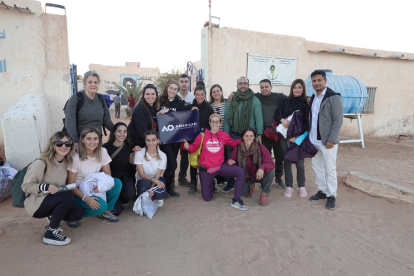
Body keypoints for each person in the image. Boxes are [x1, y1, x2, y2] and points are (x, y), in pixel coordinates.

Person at [21, 131, 83, 246]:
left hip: (54, 198)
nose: (63, 146)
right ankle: (50, 234)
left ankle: (52, 216)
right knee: (68, 196)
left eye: (67, 143)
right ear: (53, 145)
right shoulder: (41, 163)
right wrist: (47, 187)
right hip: (36, 203)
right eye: (59, 143)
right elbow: (26, 186)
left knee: (77, 214)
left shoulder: (67, 161)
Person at [183, 114, 248, 211]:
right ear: (209, 123)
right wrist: (188, 147)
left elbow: (233, 143)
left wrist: (245, 139)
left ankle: (236, 199)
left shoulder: (224, 135)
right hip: (206, 170)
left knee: (240, 172)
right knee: (207, 198)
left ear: (220, 123)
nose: (215, 123)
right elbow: (193, 149)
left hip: (220, 167)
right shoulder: (202, 136)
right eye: (212, 121)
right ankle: (212, 182)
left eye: (217, 121)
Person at [67, 127, 122, 223]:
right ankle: (72, 215)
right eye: (89, 138)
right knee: (101, 206)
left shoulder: (102, 151)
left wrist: (100, 186)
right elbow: (70, 184)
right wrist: (85, 198)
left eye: (95, 138)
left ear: (99, 140)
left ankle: (105, 211)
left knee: (117, 183)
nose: (92, 142)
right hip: (79, 190)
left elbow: (108, 174)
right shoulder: (75, 157)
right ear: (82, 140)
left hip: (95, 185)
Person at [308, 70, 343, 210]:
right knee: (317, 167)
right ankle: (322, 190)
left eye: (319, 80)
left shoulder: (333, 98)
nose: (316, 83)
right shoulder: (313, 97)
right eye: (314, 81)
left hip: (327, 141)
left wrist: (332, 139)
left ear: (325, 81)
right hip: (313, 140)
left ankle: (331, 195)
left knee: (330, 169)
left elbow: (338, 121)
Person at [223, 76, 263, 193]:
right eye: (240, 83)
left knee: (248, 160)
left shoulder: (255, 100)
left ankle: (247, 183)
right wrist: (226, 137)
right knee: (231, 159)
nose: (243, 85)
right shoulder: (231, 99)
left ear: (249, 85)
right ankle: (230, 183)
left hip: (250, 137)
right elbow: (227, 119)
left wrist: (259, 134)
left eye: (245, 83)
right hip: (234, 135)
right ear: (237, 86)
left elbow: (259, 118)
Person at [274, 79, 310, 197]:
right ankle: (289, 186)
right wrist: (282, 120)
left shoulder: (306, 102)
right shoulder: (286, 101)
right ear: (292, 88)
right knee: (287, 160)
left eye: (300, 87)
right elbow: (277, 113)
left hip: (299, 137)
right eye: (295, 87)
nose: (297, 90)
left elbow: (307, 122)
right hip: (285, 136)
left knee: (300, 163)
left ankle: (301, 186)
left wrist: (297, 137)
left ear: (303, 89)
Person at [64, 71, 114, 149]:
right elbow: (70, 123)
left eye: (95, 82)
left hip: (97, 142)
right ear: (84, 84)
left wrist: (118, 132)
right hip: (81, 142)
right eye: (90, 82)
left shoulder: (101, 99)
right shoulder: (76, 99)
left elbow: (107, 121)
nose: (93, 85)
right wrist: (75, 142)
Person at [228, 127, 274, 206]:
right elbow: (233, 161)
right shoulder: (238, 148)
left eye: (251, 136)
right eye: (246, 136)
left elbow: (270, 163)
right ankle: (250, 186)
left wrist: (262, 167)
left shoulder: (260, 147)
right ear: (242, 137)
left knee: (270, 172)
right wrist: (230, 162)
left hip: (258, 174)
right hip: (246, 176)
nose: (249, 138)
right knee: (243, 193)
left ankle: (264, 193)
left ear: (254, 137)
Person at [103, 122, 138, 214]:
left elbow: (132, 162)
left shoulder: (129, 146)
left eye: (125, 131)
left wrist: (136, 151)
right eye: (119, 131)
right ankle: (115, 198)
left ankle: (124, 199)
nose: (122, 134)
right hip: (112, 178)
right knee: (116, 211)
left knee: (130, 192)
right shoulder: (105, 148)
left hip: (125, 176)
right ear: (114, 132)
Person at [157, 80, 185, 197]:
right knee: (172, 164)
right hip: (164, 138)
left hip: (176, 138)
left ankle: (168, 187)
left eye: (175, 89)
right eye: (171, 88)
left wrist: (169, 112)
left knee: (170, 163)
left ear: (177, 91)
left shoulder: (180, 102)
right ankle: (166, 187)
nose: (172, 90)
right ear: (167, 88)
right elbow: (156, 116)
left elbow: (182, 117)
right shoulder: (160, 100)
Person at [185, 85, 214, 194]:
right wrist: (191, 113)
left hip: (206, 140)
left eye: (202, 94)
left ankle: (208, 183)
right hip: (193, 140)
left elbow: (213, 124)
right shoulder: (189, 107)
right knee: (193, 162)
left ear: (205, 95)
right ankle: (193, 183)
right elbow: (183, 122)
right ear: (194, 95)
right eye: (197, 94)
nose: (200, 97)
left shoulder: (209, 108)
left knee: (206, 162)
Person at [135, 130, 168, 200]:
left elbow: (158, 174)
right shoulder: (139, 153)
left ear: (158, 140)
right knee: (144, 190)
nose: (151, 143)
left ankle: (155, 198)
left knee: (160, 194)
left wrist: (151, 189)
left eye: (153, 140)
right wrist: (155, 182)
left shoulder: (163, 155)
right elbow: (141, 174)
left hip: (157, 178)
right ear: (145, 141)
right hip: (143, 179)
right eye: (148, 140)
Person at [177, 74, 195, 187]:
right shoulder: (175, 95)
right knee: (172, 158)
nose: (183, 83)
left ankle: (182, 177)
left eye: (185, 81)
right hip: (175, 132)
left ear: (188, 83)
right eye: (181, 81)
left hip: (188, 132)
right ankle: (169, 182)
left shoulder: (192, 97)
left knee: (186, 156)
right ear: (179, 83)